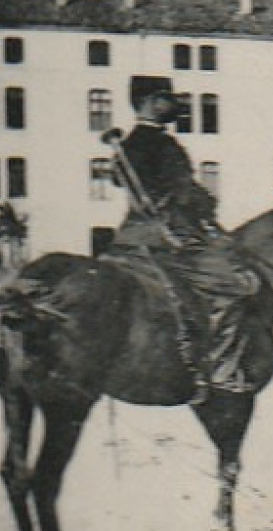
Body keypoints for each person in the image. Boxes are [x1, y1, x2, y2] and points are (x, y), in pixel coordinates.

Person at [102, 75, 260, 402]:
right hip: (166, 236)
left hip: (133, 234)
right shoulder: (154, 143)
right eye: (167, 98)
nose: (175, 105)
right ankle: (223, 370)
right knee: (234, 287)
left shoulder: (131, 145)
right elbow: (177, 194)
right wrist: (201, 201)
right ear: (148, 102)